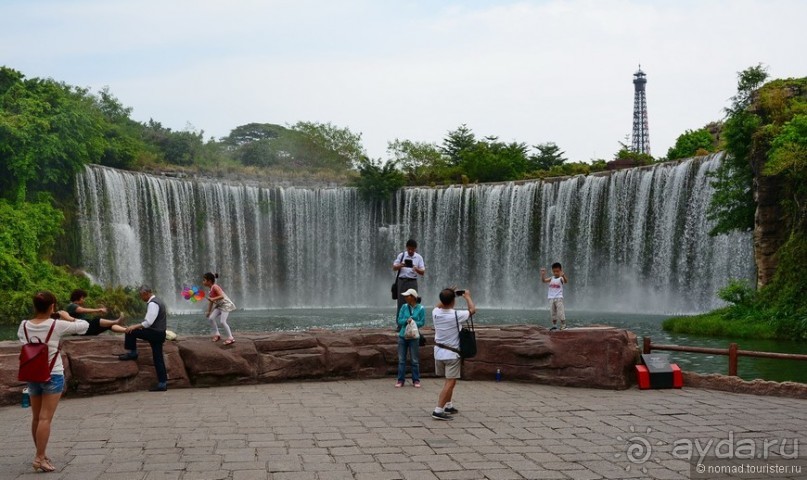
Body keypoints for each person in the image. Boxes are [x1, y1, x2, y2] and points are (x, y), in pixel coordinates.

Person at [18, 291, 90, 472]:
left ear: (35, 306)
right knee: (45, 418)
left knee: (36, 418)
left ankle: (41, 454)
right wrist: (69, 317)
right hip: (53, 374)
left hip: (32, 374)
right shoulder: (57, 325)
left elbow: (25, 342)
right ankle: (39, 458)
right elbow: (85, 325)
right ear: (52, 307)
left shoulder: (24, 325)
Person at [431, 287, 476, 421]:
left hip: (438, 352)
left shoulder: (435, 312)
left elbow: (440, 304)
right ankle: (438, 410)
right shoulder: (457, 315)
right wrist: (467, 296)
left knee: (450, 380)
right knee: (450, 382)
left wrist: (449, 292)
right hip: (452, 354)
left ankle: (448, 405)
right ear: (453, 301)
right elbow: (472, 310)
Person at [118, 285, 169, 392]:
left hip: (154, 333)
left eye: (141, 295)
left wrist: (134, 326)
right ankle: (162, 383)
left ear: (146, 293)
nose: (141, 298)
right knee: (158, 358)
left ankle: (133, 353)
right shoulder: (158, 301)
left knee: (131, 331)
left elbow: (148, 322)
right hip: (160, 333)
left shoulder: (153, 304)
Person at [395, 288, 426, 388]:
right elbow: (399, 320)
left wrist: (413, 322)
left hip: (414, 337)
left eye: (407, 296)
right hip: (403, 336)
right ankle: (400, 380)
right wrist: (406, 321)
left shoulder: (421, 309)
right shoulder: (404, 307)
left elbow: (422, 322)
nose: (405, 297)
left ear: (412, 297)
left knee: (415, 360)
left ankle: (416, 380)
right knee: (401, 360)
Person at [202, 272, 237, 345]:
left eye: (204, 280)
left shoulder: (215, 287)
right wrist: (208, 312)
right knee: (211, 318)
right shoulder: (210, 290)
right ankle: (217, 334)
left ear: (209, 281)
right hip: (219, 305)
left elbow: (221, 296)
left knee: (222, 321)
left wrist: (213, 299)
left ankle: (231, 338)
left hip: (225, 305)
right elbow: (211, 302)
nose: (203, 282)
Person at [392, 239, 426, 314]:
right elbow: (394, 268)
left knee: (414, 301)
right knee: (401, 302)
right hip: (402, 281)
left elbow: (423, 272)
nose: (410, 251)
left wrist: (416, 268)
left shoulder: (419, 257)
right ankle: (400, 324)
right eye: (409, 249)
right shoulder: (401, 255)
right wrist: (401, 265)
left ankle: (413, 321)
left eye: (412, 249)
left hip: (412, 281)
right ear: (406, 248)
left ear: (415, 249)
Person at [540, 262, 569, 331]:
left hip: (559, 298)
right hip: (551, 298)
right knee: (552, 313)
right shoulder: (551, 278)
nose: (555, 273)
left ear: (560, 270)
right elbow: (544, 281)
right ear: (552, 271)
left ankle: (563, 325)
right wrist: (543, 275)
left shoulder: (561, 278)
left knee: (560, 312)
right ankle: (554, 325)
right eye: (554, 271)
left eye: (557, 271)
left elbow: (566, 281)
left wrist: (563, 275)